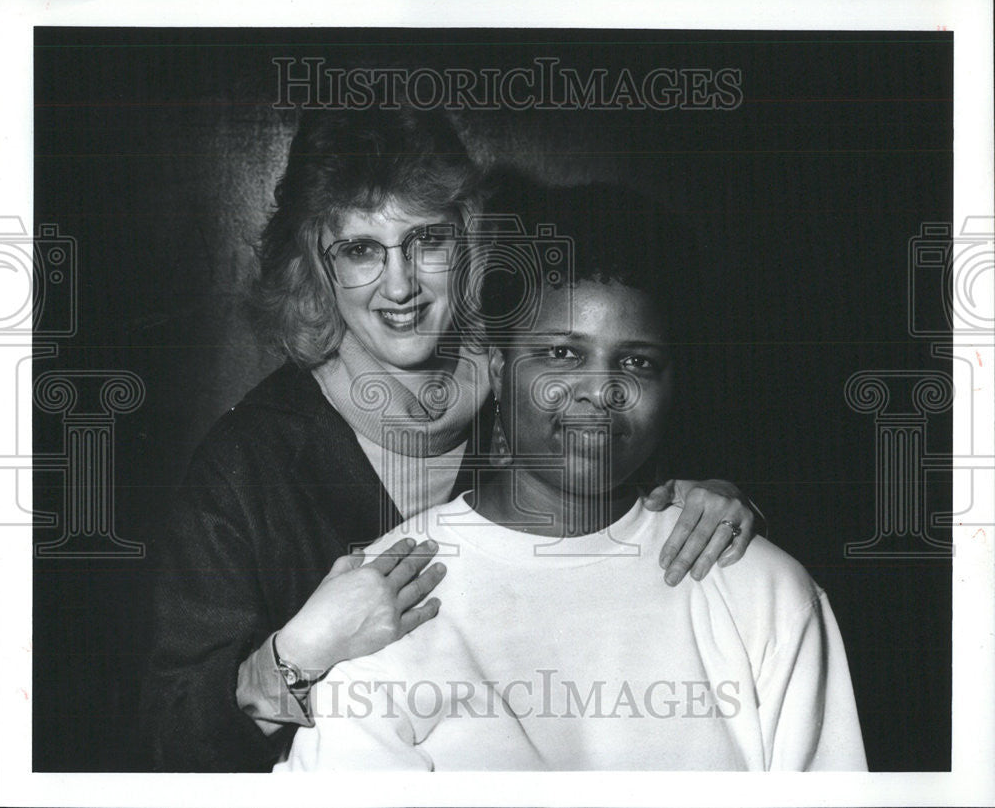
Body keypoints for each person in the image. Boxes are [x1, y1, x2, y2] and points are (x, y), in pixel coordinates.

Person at [140, 101, 764, 772]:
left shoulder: (536, 389)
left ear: (466, 239)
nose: (401, 284)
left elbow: (649, 531)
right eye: (359, 250)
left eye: (427, 241)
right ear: (315, 266)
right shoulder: (245, 467)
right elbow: (167, 745)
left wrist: (721, 502)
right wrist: (295, 654)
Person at [277, 183, 867, 772]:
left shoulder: (763, 591)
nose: (601, 391)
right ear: (499, 366)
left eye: (637, 362)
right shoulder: (390, 596)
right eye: (562, 353)